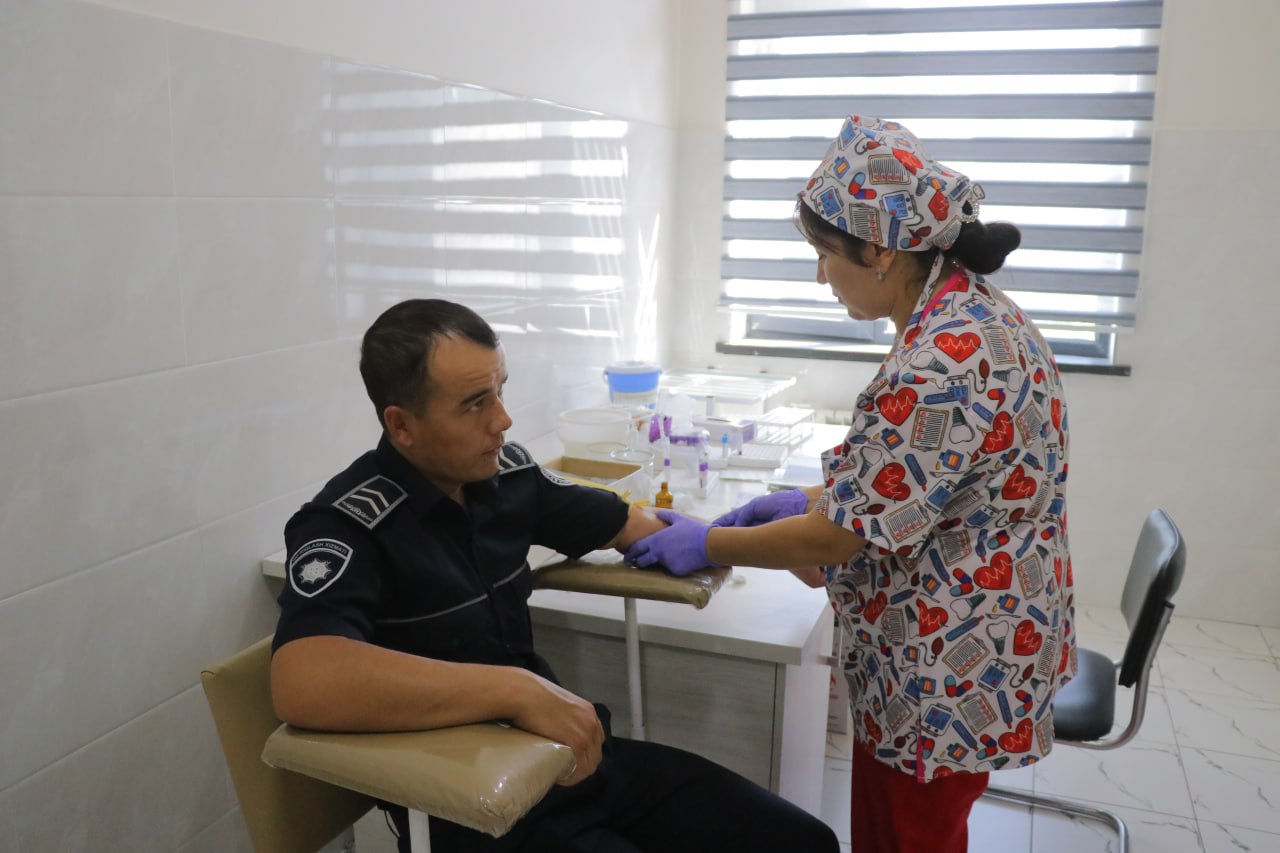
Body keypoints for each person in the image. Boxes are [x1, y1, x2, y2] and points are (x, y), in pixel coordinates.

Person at [626, 115, 1076, 853]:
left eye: (824, 254)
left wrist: (710, 543)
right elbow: (918, 482)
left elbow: (841, 537)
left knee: (906, 839)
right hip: (976, 634)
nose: (819, 276)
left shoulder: (942, 358)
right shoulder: (968, 313)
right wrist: (805, 500)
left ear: (880, 250)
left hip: (945, 663)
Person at [270, 298, 839, 853]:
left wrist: (748, 537)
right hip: (476, 805)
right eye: (474, 404)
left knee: (802, 841)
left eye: (500, 390)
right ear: (402, 425)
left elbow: (636, 527)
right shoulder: (350, 525)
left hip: (569, 762)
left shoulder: (504, 479)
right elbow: (304, 681)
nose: (503, 419)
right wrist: (513, 690)